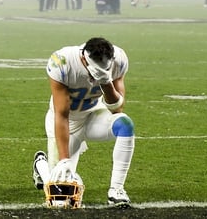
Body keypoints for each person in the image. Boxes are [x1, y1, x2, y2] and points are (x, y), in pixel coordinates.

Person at [31, 37, 134, 207]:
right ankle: (41, 165)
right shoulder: (62, 62)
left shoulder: (119, 59)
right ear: (85, 60)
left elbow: (117, 109)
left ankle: (116, 190)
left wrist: (106, 82)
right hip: (68, 124)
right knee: (60, 199)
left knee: (125, 124)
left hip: (94, 116)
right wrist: (64, 159)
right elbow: (62, 115)